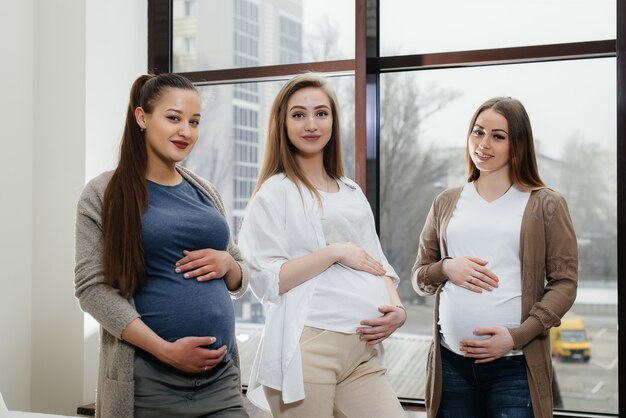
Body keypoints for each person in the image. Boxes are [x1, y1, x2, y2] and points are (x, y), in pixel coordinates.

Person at [74, 73, 249, 418]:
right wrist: (166, 350)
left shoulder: (205, 192)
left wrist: (229, 264)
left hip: (221, 382)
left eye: (194, 122)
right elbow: (91, 289)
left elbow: (239, 271)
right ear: (142, 117)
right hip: (150, 383)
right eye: (174, 118)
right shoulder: (104, 194)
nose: (186, 131)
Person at [237, 73, 407, 418]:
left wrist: (398, 311)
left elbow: (377, 262)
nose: (311, 124)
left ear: (333, 121)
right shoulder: (275, 192)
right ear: (282, 124)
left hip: (362, 351)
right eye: (298, 115)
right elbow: (267, 279)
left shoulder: (351, 190)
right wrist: (334, 252)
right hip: (307, 350)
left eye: (321, 113)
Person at [412, 97, 578, 418]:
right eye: (478, 132)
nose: (483, 144)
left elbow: (565, 284)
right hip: (451, 365)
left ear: (517, 145)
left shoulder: (546, 204)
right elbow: (420, 277)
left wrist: (516, 337)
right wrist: (446, 267)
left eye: (498, 136)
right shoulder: (445, 202)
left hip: (514, 367)